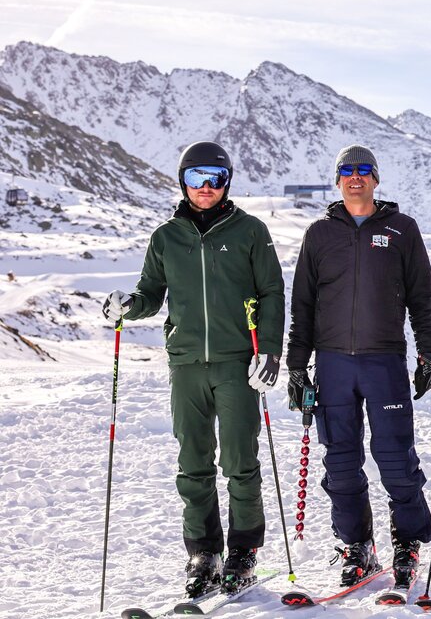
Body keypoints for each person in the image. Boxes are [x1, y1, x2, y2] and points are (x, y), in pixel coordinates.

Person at [102, 141, 284, 597]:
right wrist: (128, 306)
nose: (206, 187)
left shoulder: (250, 231)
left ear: (227, 182)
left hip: (236, 363)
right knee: (192, 465)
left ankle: (243, 551)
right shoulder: (166, 236)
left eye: (215, 178)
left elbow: (272, 293)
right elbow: (151, 293)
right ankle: (204, 551)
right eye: (197, 177)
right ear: (183, 180)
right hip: (185, 364)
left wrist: (271, 351)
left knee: (240, 462)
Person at [285, 145, 431, 588]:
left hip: (384, 361)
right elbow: (304, 307)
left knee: (394, 458)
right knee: (341, 462)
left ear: (376, 178)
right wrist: (298, 367)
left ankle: (407, 544)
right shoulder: (318, 234)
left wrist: (428, 354)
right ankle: (357, 547)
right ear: (337, 180)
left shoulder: (401, 229)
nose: (356, 177)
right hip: (333, 365)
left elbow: (420, 299)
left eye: (364, 170)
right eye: (347, 171)